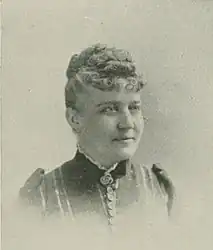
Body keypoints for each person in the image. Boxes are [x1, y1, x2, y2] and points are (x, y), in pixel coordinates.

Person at [19, 43, 176, 227]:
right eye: (110, 109)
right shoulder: (42, 197)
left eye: (133, 108)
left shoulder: (159, 190)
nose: (127, 123)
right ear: (74, 118)